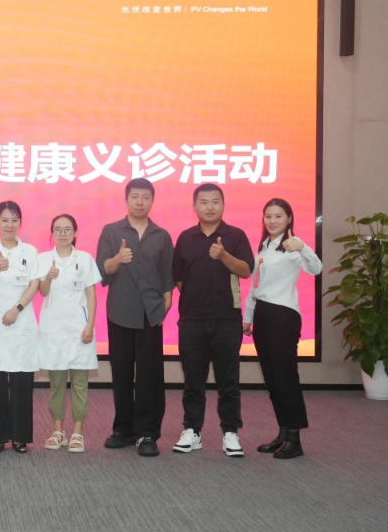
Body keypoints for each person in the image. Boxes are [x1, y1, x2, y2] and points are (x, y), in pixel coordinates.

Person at [172, 183, 254, 458]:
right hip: (192, 319)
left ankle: (230, 433)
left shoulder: (235, 235)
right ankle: (192, 431)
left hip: (226, 318)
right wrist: (196, 298)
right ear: (194, 206)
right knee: (192, 380)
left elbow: (246, 270)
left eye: (215, 201)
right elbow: (178, 277)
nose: (210, 206)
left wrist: (223, 255)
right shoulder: (185, 237)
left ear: (223, 205)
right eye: (204, 202)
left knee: (228, 381)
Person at [96, 177, 174, 457]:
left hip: (151, 313)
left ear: (152, 201)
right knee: (121, 373)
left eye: (145, 197)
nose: (140, 202)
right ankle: (123, 429)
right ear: (126, 199)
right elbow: (102, 270)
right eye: (135, 196)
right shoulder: (111, 231)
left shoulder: (161, 235)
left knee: (150, 376)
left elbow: (167, 273)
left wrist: (166, 302)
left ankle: (147, 433)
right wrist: (118, 259)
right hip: (120, 311)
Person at [242, 198, 321, 459]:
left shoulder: (292, 246)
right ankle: (283, 433)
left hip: (283, 315)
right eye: (268, 216)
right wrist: (248, 316)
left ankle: (295, 439)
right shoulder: (263, 246)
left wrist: (303, 246)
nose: (272, 220)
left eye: (278, 216)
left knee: (286, 377)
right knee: (272, 379)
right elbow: (255, 285)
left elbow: (316, 268)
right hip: (263, 314)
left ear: (289, 218)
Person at [0, 201, 40, 453]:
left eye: (14, 220)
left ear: (20, 223)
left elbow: (34, 285)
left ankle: (20, 436)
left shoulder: (30, 251)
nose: (10, 225)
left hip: (20, 319)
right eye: (4, 220)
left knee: (21, 381)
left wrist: (17, 309)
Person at [38, 214, 101, 454]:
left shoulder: (85, 259)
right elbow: (42, 292)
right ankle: (58, 431)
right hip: (53, 329)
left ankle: (77, 432)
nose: (62, 233)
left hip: (79, 329)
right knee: (56, 384)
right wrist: (48, 277)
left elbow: (91, 295)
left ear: (75, 232)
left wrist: (90, 325)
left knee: (79, 384)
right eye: (58, 229)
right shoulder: (43, 259)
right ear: (51, 233)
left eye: (67, 229)